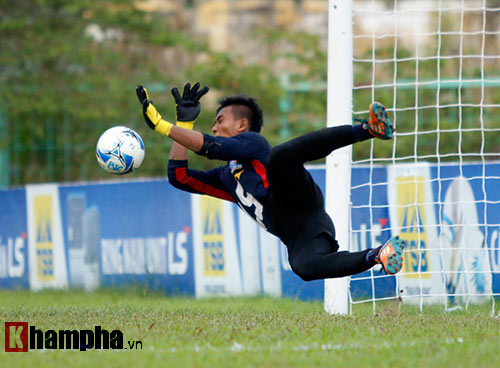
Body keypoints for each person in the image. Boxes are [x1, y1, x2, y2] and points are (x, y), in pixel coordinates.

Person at [135, 82, 405, 281]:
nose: (215, 127)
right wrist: (184, 123)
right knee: (304, 267)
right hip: (299, 233)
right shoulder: (224, 177)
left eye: (219, 120)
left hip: (297, 198)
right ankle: (379, 254)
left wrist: (164, 126)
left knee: (280, 158)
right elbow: (179, 177)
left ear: (242, 125)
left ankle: (367, 129)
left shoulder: (253, 144)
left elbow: (211, 146)